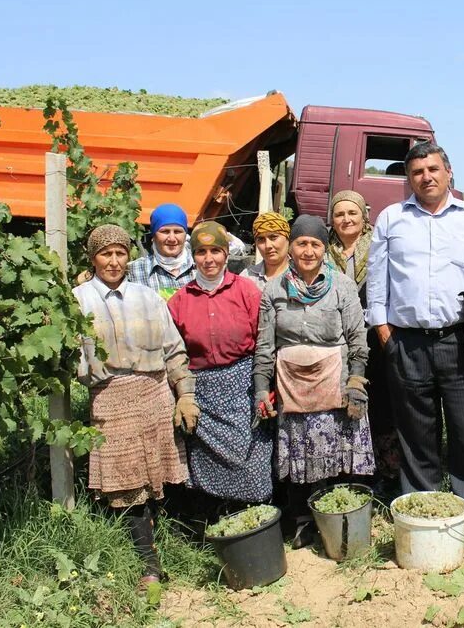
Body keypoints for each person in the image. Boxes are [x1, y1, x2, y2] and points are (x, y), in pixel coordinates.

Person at [367, 142, 464, 512]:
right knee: (415, 430)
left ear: (448, 173)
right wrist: (382, 327)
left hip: (460, 339)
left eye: (432, 169)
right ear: (409, 179)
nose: (426, 177)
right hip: (407, 341)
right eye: (417, 172)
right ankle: (421, 501)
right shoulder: (391, 218)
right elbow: (378, 277)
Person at [72, 224, 199, 587]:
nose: (113, 261)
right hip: (110, 398)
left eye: (120, 253)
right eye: (105, 254)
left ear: (129, 256)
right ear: (92, 258)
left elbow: (174, 350)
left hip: (155, 394)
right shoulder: (78, 300)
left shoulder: (148, 298)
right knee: (125, 481)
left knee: (162, 474)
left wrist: (184, 393)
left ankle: (174, 544)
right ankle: (148, 564)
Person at [253, 215, 375, 548]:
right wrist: (262, 389)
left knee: (337, 456)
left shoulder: (342, 286)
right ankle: (303, 524)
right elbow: (265, 346)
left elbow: (356, 339)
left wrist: (356, 382)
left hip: (334, 383)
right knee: (299, 459)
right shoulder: (274, 289)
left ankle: (338, 522)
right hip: (292, 388)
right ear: (291, 247)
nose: (308, 251)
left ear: (324, 249)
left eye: (315, 244)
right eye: (302, 243)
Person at [167, 221, 272, 515]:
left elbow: (264, 342)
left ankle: (255, 518)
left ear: (226, 254)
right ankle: (212, 520)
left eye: (215, 250)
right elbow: (174, 352)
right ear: (193, 256)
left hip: (243, 384)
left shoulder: (247, 291)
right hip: (203, 392)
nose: (208, 259)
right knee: (205, 461)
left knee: (251, 456)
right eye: (201, 252)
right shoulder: (179, 301)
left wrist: (264, 387)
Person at [327, 190, 401, 498]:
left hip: (374, 337)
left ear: (363, 216)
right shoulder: (323, 250)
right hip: (337, 342)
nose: (346, 219)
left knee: (382, 406)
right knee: (344, 407)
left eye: (352, 213)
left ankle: (387, 473)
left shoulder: (379, 247)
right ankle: (350, 472)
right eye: (339, 214)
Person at [128, 204, 196, 299]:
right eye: (165, 232)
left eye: (177, 232)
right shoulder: (134, 270)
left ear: (185, 235)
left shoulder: (200, 267)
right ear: (153, 236)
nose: (172, 238)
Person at [241, 212, 291, 291]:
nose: (268, 246)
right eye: (261, 239)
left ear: (287, 239)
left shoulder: (302, 275)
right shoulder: (247, 277)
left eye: (273, 237)